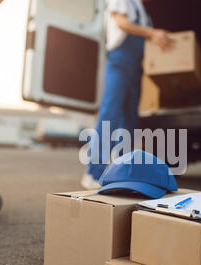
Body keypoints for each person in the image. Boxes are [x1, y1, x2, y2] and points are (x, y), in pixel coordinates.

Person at [81, 0, 173, 189]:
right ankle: (93, 172)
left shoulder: (142, 10)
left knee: (130, 120)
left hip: (136, 67)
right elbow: (122, 23)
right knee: (110, 114)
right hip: (120, 62)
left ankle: (121, 174)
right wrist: (153, 33)